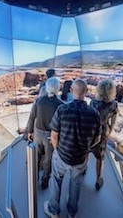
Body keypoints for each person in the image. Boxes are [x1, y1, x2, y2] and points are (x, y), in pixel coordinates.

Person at [44, 79, 101, 218]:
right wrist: (86, 149)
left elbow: (54, 136)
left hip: (62, 155)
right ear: (86, 92)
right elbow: (97, 139)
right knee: (75, 186)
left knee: (56, 182)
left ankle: (53, 211)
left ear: (71, 91)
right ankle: (71, 212)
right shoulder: (94, 114)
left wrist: (58, 150)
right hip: (81, 158)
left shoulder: (62, 109)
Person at [26, 77, 63, 190]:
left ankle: (33, 179)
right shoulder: (60, 105)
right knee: (48, 161)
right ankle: (45, 182)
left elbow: (32, 117)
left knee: (36, 158)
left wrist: (29, 131)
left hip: (38, 134)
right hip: (50, 137)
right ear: (57, 88)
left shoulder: (39, 101)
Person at [90, 79, 118, 190]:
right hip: (103, 131)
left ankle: (82, 171)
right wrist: (108, 131)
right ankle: (98, 180)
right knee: (100, 157)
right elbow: (113, 122)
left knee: (87, 150)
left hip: (92, 130)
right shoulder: (113, 104)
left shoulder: (93, 102)